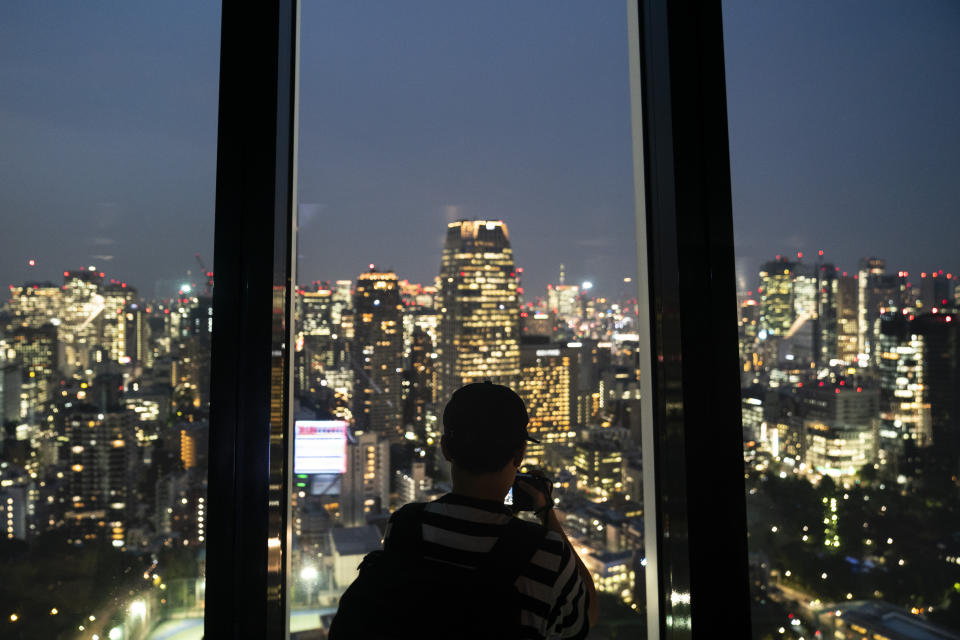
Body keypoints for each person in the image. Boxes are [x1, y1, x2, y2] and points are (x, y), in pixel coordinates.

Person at [330, 381, 598, 639]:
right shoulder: (545, 553)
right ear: (519, 454)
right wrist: (546, 512)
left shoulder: (405, 524)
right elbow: (586, 617)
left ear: (446, 449)